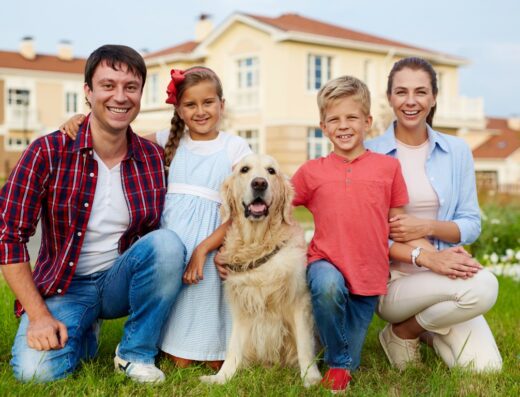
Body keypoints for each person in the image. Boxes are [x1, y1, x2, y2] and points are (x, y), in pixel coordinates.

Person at [0, 45, 186, 383]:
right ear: (88, 92)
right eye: (108, 85)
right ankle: (85, 328)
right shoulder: (47, 152)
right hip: (65, 286)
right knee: (36, 375)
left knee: (168, 244)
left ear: (141, 93)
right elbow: (9, 235)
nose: (120, 96)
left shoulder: (153, 157)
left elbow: (204, 147)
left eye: (131, 87)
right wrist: (39, 315)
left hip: (121, 280)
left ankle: (135, 353)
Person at [61, 66, 252, 370]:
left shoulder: (234, 147)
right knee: (177, 352)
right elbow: (114, 137)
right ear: (178, 109)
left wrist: (204, 250)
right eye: (190, 104)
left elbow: (243, 209)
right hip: (171, 244)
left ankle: (211, 345)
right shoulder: (166, 140)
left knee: (211, 338)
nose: (200, 111)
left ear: (221, 104)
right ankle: (156, 344)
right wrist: (81, 122)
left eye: (208, 102)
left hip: (211, 244)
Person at [365, 57, 502, 372]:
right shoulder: (369, 154)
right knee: (484, 285)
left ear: (434, 97)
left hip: (445, 273)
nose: (411, 101)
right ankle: (404, 327)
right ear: (389, 98)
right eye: (401, 92)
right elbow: (367, 236)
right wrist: (424, 256)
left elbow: (470, 223)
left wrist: (426, 226)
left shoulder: (457, 151)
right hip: (395, 281)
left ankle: (409, 330)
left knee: (486, 369)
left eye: (420, 92)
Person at [290, 76, 410, 393]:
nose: (344, 126)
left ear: (367, 121)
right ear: (323, 126)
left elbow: (400, 225)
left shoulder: (389, 168)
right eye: (334, 119)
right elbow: (279, 206)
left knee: (350, 356)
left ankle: (332, 351)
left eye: (352, 117)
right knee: (329, 290)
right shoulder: (311, 171)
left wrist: (430, 255)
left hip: (369, 276)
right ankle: (337, 364)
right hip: (324, 263)